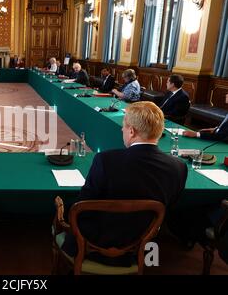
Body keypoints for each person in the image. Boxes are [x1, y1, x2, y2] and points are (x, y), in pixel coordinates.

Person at [56, 102, 188, 264]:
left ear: (132, 131)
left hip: (93, 246)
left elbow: (83, 204)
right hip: (143, 246)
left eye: (124, 126)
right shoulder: (179, 167)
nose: (121, 130)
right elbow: (170, 205)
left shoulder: (106, 160)